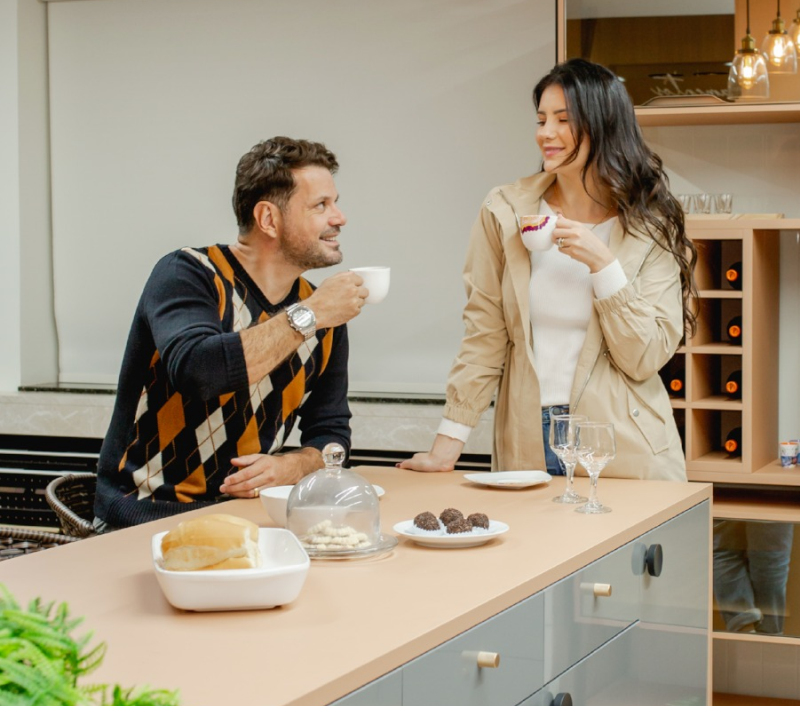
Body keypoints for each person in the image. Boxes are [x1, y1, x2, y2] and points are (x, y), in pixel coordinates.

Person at [399, 58, 697, 481]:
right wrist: (448, 445)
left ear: (603, 124)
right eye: (541, 119)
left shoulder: (651, 224)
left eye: (563, 119)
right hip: (527, 436)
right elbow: (485, 333)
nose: (546, 133)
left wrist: (603, 265)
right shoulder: (506, 211)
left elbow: (644, 356)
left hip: (623, 442)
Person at [94, 137, 368, 529]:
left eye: (335, 202)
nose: (339, 217)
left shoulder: (319, 308)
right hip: (146, 519)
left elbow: (331, 434)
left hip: (247, 522)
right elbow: (199, 370)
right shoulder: (187, 273)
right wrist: (312, 314)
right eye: (320, 205)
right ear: (268, 219)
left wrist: (290, 466)